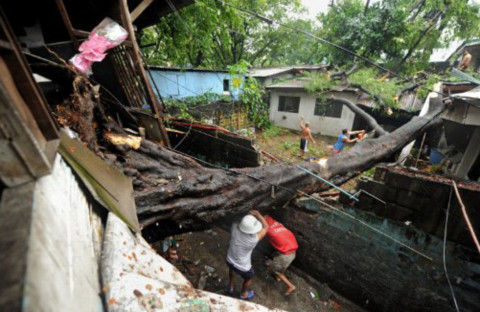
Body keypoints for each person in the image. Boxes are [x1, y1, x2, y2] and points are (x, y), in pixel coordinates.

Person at [226, 210, 268, 299]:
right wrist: (258, 214)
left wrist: (246, 218)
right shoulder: (253, 240)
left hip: (229, 259)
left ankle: (230, 286)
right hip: (243, 267)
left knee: (231, 269)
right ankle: (243, 294)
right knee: (248, 278)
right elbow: (266, 227)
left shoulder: (234, 228)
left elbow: (237, 220)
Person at [264, 215, 298, 296]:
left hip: (286, 255)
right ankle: (278, 276)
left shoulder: (269, 231)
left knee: (274, 269)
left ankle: (291, 286)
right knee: (278, 265)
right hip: (292, 250)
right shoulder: (277, 223)